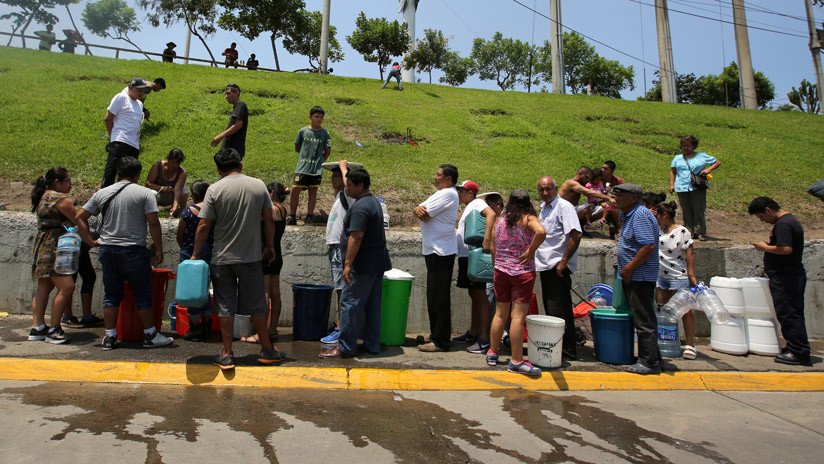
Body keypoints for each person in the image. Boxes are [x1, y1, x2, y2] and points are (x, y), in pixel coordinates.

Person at [191, 148, 285, 370]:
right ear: (240, 165)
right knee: (258, 304)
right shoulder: (258, 185)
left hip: (222, 258)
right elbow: (269, 220)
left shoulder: (214, 190)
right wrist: (270, 246)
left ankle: (226, 354)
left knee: (225, 305)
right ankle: (268, 350)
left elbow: (204, 225)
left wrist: (195, 254)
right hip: (251, 257)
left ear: (218, 169)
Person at [75, 157, 173, 350]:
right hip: (133, 250)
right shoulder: (145, 193)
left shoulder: (102, 192)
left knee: (111, 295)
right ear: (137, 174)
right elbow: (153, 222)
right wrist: (159, 249)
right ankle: (150, 335)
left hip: (108, 249)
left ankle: (110, 336)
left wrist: (90, 241)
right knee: (143, 294)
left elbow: (80, 217)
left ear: (119, 171)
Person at [320, 168, 392, 358]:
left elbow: (356, 236)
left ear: (360, 185)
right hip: (376, 264)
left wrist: (348, 264)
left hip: (362, 266)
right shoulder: (374, 202)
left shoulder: (361, 207)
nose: (347, 189)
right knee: (372, 305)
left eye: (350, 186)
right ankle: (372, 344)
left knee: (350, 304)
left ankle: (345, 347)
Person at [484, 190, 546, 376]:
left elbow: (493, 246)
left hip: (501, 271)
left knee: (500, 314)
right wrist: (531, 250)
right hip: (522, 273)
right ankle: (516, 360)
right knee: (518, 317)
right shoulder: (527, 218)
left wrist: (498, 264)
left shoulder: (500, 220)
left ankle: (492, 353)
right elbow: (541, 232)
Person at [748, 197, 811, 366]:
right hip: (788, 275)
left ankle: (799, 352)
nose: (762, 221)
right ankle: (794, 347)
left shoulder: (784, 224)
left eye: (761, 217)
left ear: (768, 210)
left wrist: (765, 247)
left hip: (786, 276)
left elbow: (786, 249)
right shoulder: (788, 222)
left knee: (789, 313)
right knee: (789, 312)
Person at [613, 183, 661, 375]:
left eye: (621, 195)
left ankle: (648, 362)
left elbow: (648, 245)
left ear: (633, 197)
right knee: (643, 317)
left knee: (644, 320)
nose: (616, 198)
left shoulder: (640, 215)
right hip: (634, 275)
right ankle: (654, 358)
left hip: (639, 276)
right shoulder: (630, 215)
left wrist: (629, 268)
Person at [534, 176, 582, 361]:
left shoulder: (564, 207)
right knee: (551, 309)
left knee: (560, 310)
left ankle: (568, 351)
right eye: (541, 190)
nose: (545, 193)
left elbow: (575, 234)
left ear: (555, 189)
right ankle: (557, 348)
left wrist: (563, 262)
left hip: (557, 266)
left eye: (549, 189)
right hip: (545, 265)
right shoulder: (544, 209)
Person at [28, 168, 78, 344]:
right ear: (57, 182)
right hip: (56, 248)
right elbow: (79, 218)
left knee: (44, 287)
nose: (70, 183)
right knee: (67, 287)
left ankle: (38, 327)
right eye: (67, 180)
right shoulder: (59, 199)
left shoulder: (43, 195)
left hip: (43, 247)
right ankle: (54, 328)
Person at [414, 164, 459, 352]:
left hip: (441, 251)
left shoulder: (448, 194)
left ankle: (441, 341)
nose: (435, 177)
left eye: (438, 175)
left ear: (448, 179)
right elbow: (419, 209)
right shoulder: (441, 193)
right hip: (434, 250)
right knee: (433, 295)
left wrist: (418, 209)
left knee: (439, 296)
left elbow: (424, 213)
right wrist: (417, 208)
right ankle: (435, 334)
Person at [453, 180, 495, 354]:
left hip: (474, 255)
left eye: (461, 191)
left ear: (470, 192)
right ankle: (474, 331)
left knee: (480, 295)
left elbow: (491, 214)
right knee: (474, 293)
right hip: (466, 256)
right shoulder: (470, 206)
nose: (459, 194)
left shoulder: (477, 203)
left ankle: (484, 338)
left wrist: (487, 238)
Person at [245, 181, 289, 343]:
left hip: (265, 253)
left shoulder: (270, 210)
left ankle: (260, 333)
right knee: (275, 293)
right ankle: (272, 330)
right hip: (277, 255)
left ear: (271, 193)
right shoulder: (283, 210)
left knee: (264, 294)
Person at [653, 201, 698, 360]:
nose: (656, 218)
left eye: (657, 215)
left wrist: (691, 275)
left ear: (664, 215)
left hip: (678, 276)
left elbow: (689, 254)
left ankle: (690, 344)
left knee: (685, 310)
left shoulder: (682, 231)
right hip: (661, 277)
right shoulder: (657, 230)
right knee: (663, 310)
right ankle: (667, 341)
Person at [320, 160, 355, 345]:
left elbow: (348, 184)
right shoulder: (338, 196)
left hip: (340, 248)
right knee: (339, 288)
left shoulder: (349, 194)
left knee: (343, 289)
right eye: (332, 176)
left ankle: (342, 328)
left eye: (337, 176)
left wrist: (343, 167)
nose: (334, 179)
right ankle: (340, 324)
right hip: (333, 247)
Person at [176, 180, 213, 341]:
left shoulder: (188, 212)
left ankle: (194, 326)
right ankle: (207, 322)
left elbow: (180, 234)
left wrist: (185, 247)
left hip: (189, 252)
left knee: (191, 291)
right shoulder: (212, 211)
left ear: (193, 194)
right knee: (205, 288)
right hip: (209, 252)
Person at [669, 135, 721, 241]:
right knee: (686, 210)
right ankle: (689, 232)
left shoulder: (701, 156)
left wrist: (708, 170)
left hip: (697, 186)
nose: (685, 148)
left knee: (698, 209)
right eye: (683, 146)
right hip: (681, 186)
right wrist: (672, 185)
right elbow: (673, 171)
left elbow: (717, 162)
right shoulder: (677, 158)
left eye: (688, 145)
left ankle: (700, 232)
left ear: (694, 146)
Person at [288, 106, 331, 225]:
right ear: (310, 117)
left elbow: (327, 151)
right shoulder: (303, 131)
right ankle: (292, 215)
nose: (319, 119)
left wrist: (320, 161)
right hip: (302, 167)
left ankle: (309, 216)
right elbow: (297, 147)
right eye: (316, 116)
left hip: (316, 170)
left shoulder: (325, 133)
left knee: (313, 191)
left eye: (321, 117)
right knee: (295, 189)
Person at [102, 78, 148, 187]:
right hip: (120, 141)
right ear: (130, 88)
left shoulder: (139, 104)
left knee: (129, 176)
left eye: (143, 90)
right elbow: (108, 118)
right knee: (111, 172)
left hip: (134, 145)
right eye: (139, 90)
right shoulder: (121, 97)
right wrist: (113, 137)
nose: (142, 93)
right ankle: (103, 200)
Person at [558, 166, 615, 234]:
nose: (588, 180)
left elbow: (593, 194)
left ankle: (581, 227)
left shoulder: (580, 184)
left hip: (572, 210)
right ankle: (572, 229)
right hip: (562, 211)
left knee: (603, 209)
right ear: (580, 174)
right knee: (587, 207)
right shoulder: (571, 183)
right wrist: (608, 198)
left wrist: (607, 195)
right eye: (586, 177)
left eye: (589, 178)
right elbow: (588, 192)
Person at [145, 148, 188, 216]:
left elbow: (178, 190)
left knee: (184, 189)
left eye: (177, 163)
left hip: (171, 196)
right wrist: (161, 188)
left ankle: (182, 213)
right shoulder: (157, 166)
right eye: (172, 162)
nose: (174, 166)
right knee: (152, 193)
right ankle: (151, 214)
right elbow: (148, 183)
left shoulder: (182, 172)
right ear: (168, 159)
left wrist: (175, 206)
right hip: (157, 195)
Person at [211, 83, 249, 159]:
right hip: (230, 151)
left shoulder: (240, 104)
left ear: (237, 93)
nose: (226, 96)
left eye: (228, 93)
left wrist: (220, 136)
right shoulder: (236, 107)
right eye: (225, 94)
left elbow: (238, 124)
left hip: (233, 151)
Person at [601, 160, 624, 239]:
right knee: (612, 209)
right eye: (602, 168)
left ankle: (615, 231)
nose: (603, 170)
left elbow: (623, 194)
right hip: (601, 203)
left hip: (614, 203)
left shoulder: (619, 181)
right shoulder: (598, 179)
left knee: (614, 209)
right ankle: (617, 230)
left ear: (612, 170)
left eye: (605, 169)